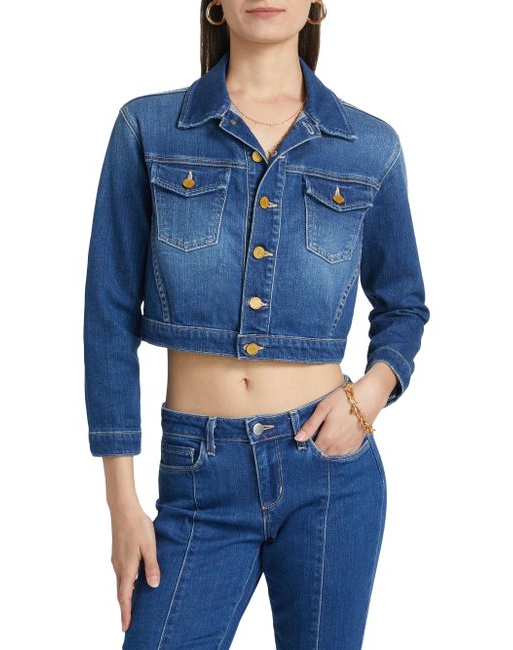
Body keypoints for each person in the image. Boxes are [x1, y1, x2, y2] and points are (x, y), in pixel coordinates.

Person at [83, 1, 430, 648]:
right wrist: (120, 502)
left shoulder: (369, 146)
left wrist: (370, 395)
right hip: (198, 477)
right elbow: (107, 315)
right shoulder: (149, 129)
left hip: (331, 472)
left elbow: (404, 304)